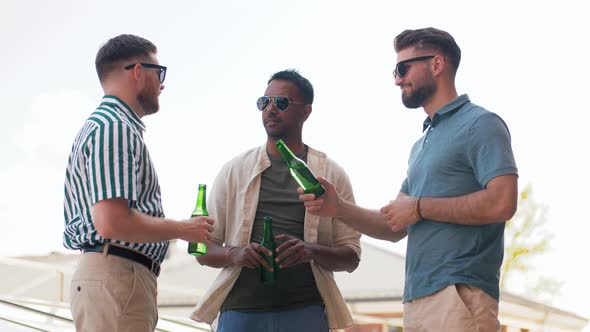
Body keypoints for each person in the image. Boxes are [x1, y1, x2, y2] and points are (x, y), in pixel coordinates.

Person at [300, 28, 518, 332]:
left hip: (459, 294)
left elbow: (502, 202)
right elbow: (394, 225)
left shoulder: (481, 124)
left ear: (437, 64)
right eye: (395, 70)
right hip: (417, 299)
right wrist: (338, 208)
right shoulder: (422, 144)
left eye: (403, 68)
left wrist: (420, 208)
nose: (397, 79)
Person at [62, 34, 215, 332]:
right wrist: (184, 229)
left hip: (114, 274)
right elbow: (112, 222)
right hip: (117, 272)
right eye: (159, 73)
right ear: (137, 71)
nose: (163, 83)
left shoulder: (108, 125)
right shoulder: (114, 127)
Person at [190, 69, 362, 331]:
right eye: (264, 102)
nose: (270, 109)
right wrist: (234, 254)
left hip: (307, 310)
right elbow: (202, 248)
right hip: (241, 311)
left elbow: (351, 257)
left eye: (281, 103)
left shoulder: (331, 175)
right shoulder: (234, 170)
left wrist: (310, 251)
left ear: (306, 111)